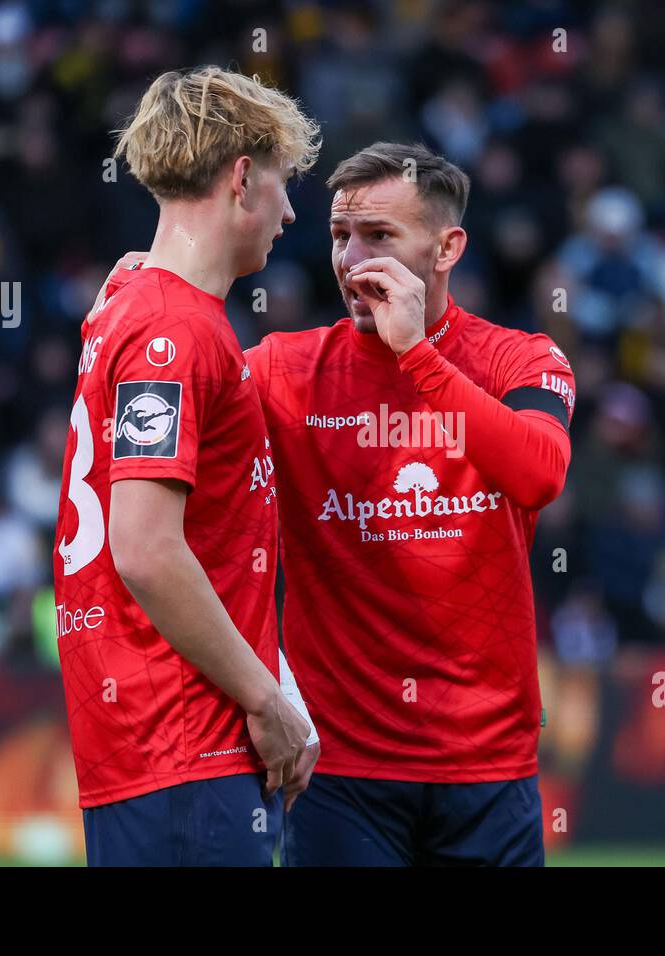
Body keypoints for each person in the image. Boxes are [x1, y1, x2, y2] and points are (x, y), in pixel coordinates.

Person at [251, 143, 575, 865]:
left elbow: (540, 473)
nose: (350, 259)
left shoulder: (519, 359)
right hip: (342, 770)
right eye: (340, 236)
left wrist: (418, 358)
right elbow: (183, 395)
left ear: (447, 246)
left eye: (379, 236)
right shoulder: (283, 371)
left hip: (487, 766)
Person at [52, 66, 321, 866]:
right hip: (183, 744)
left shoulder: (137, 309)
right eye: (281, 183)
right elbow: (145, 547)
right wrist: (266, 699)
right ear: (242, 179)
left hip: (149, 747)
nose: (290, 209)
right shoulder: (171, 328)